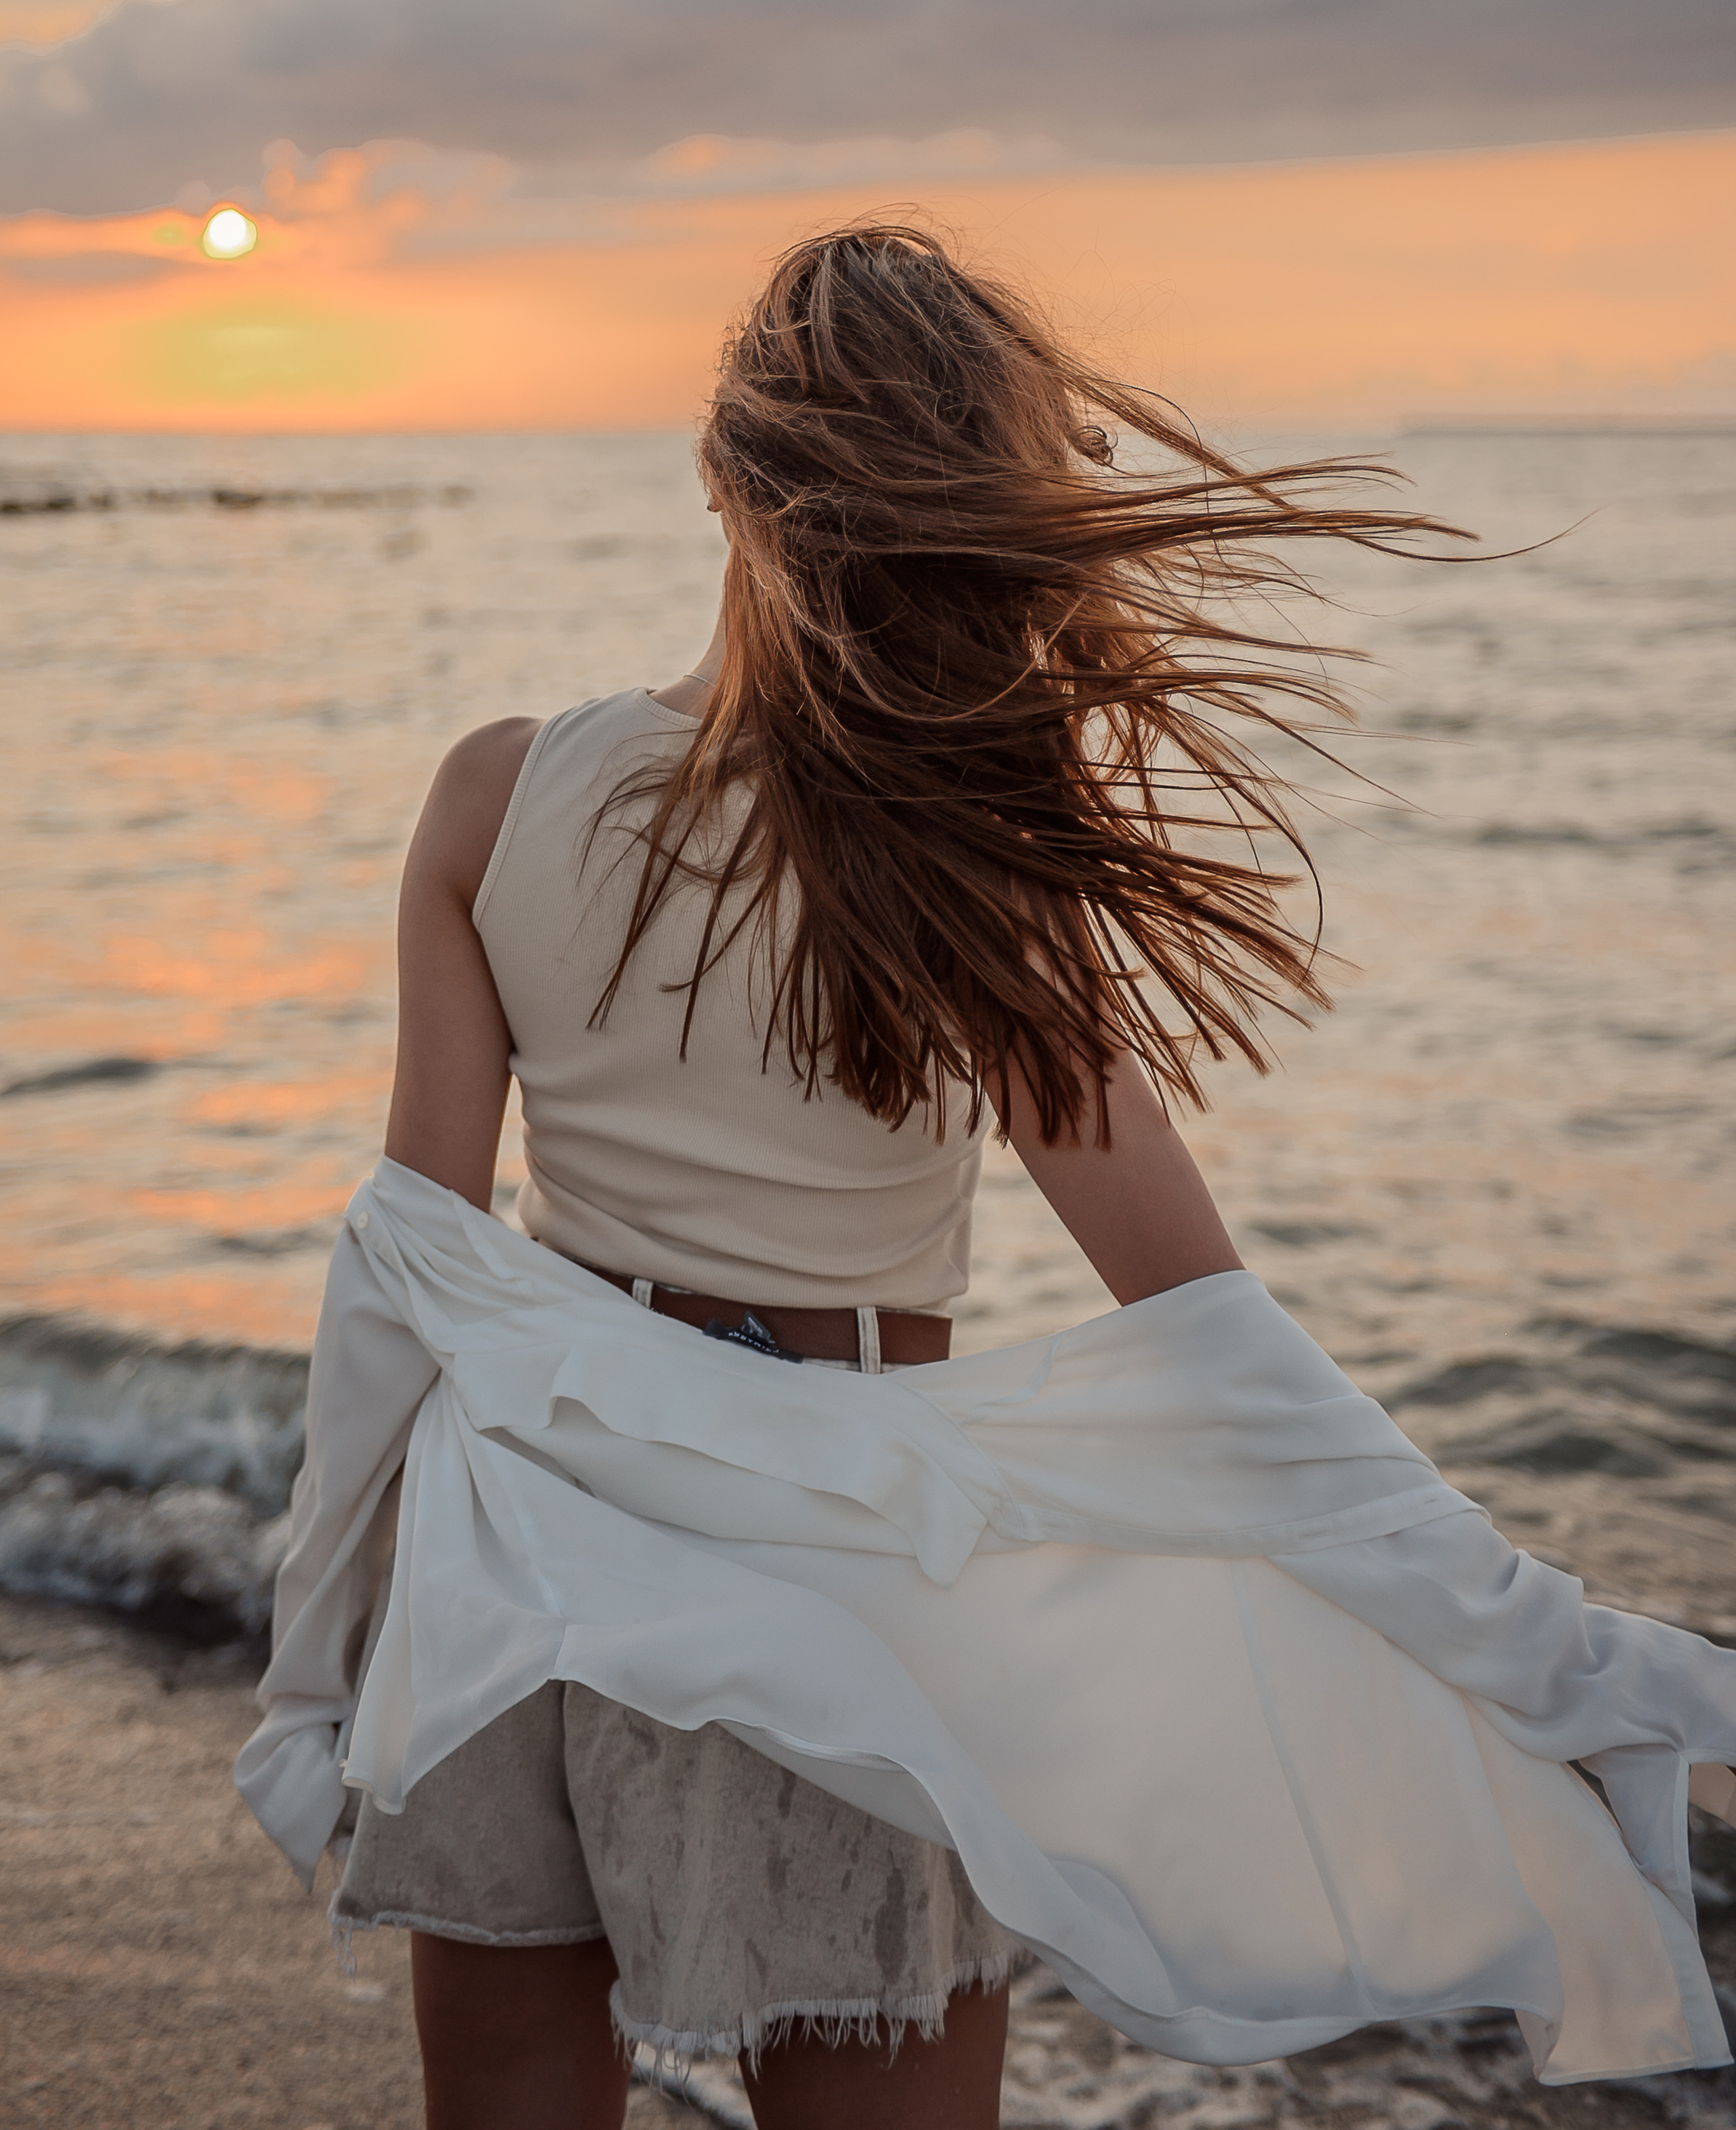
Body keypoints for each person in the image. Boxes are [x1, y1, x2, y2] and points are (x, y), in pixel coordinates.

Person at [238, 222, 1736, 2129]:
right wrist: (1517, 1623)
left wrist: (317, 1660)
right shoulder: (968, 864)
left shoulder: (495, 792)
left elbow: (408, 1274)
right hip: (833, 1583)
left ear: (721, 473)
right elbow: (1200, 1323)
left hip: (507, 1555)